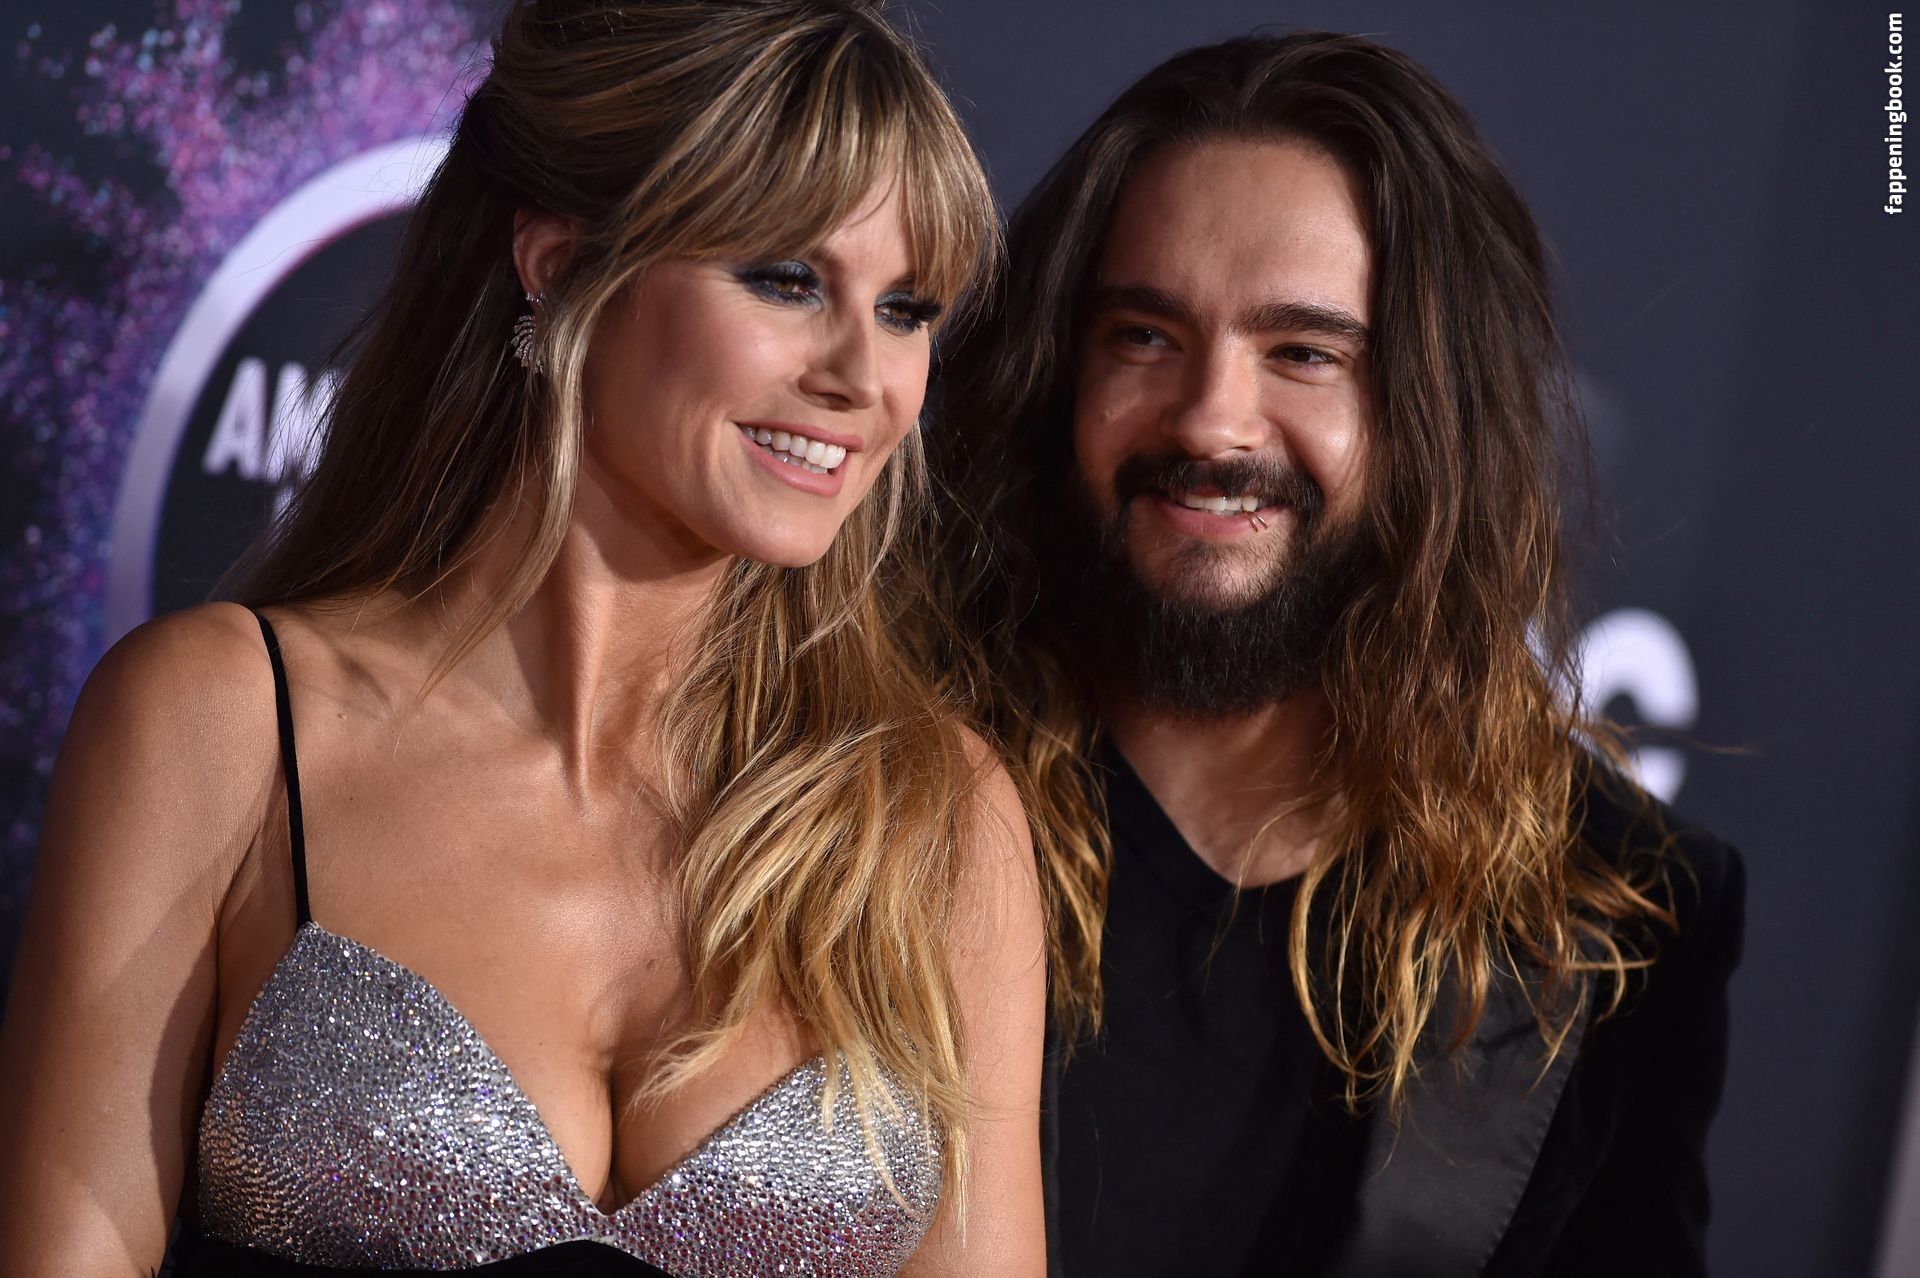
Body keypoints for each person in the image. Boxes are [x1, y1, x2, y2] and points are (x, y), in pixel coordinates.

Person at [0, 3, 1048, 1274]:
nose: (862, 377)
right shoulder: (222, 723)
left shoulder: (936, 820)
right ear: (559, 262)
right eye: (787, 280)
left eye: (906, 309)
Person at [932, 31, 1745, 1277]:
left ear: (1434, 412)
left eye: (1304, 354)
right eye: (1144, 335)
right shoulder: (878, 782)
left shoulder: (1619, 910)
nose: (1211, 419)